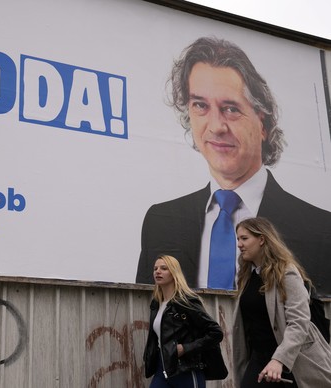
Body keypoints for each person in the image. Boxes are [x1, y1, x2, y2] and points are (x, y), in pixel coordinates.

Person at [136, 36, 331, 294]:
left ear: (263, 123)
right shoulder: (160, 221)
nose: (216, 126)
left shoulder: (319, 229)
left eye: (230, 109)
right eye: (200, 105)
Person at [232, 217, 331, 387]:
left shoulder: (286, 273)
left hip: (289, 362)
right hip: (258, 360)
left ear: (262, 239)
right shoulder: (247, 275)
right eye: (238, 239)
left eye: (244, 238)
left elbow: (299, 322)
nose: (239, 244)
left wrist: (279, 359)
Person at [143, 254, 226, 387]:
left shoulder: (186, 302)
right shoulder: (156, 303)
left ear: (174, 273)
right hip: (162, 367)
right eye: (155, 268)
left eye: (164, 268)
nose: (158, 271)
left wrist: (185, 348)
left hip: (186, 369)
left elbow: (216, 333)